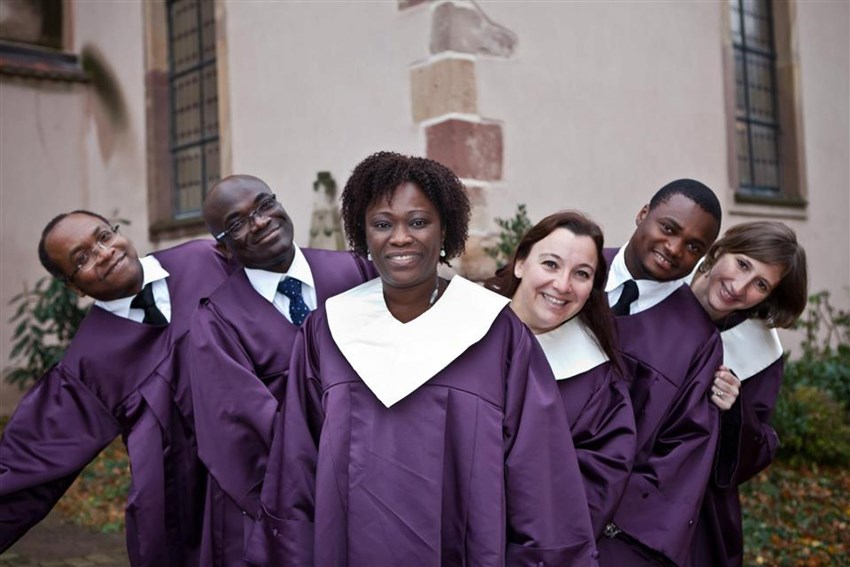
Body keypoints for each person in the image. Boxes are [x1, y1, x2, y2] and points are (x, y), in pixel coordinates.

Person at [248, 152, 598, 566]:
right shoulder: (328, 331)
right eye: (382, 224)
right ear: (363, 234)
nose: (400, 238)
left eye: (418, 222)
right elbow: (295, 472)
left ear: (444, 228)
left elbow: (538, 477)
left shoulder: (495, 332)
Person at [0, 210, 234, 566]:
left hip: (272, 465)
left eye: (104, 237)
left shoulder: (205, 261)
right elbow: (31, 465)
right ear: (75, 287)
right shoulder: (87, 364)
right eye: (83, 258)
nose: (105, 253)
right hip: (187, 510)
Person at [188, 174, 376, 566]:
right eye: (237, 223)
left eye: (263, 205)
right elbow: (238, 429)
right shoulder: (218, 320)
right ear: (223, 248)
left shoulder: (356, 273)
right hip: (289, 499)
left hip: (379, 475)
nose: (259, 222)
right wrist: (322, 483)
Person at [484, 210, 636, 539]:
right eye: (550, 264)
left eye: (581, 274)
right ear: (521, 263)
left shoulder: (597, 382)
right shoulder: (463, 326)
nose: (562, 285)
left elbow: (591, 491)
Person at [598, 179, 724, 566]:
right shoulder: (569, 273)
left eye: (693, 247)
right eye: (669, 229)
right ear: (642, 214)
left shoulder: (697, 340)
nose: (674, 249)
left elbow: (680, 456)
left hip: (604, 531)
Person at [687, 221, 808, 566]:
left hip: (693, 511)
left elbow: (754, 450)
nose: (738, 287)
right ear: (722, 248)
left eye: (760, 284)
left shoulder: (760, 356)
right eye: (742, 264)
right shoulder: (659, 289)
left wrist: (734, 412)